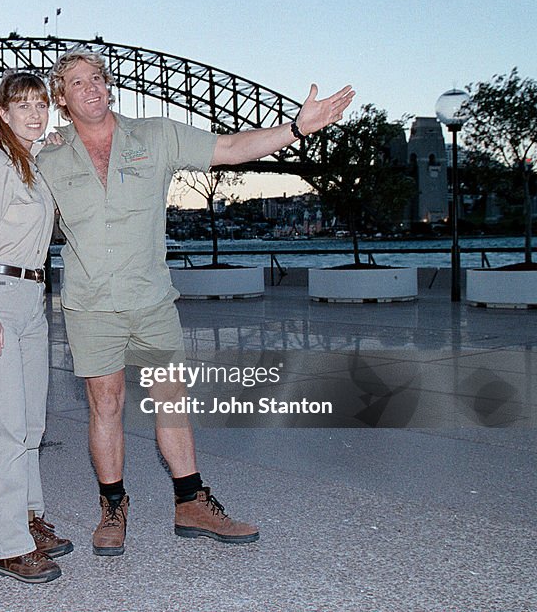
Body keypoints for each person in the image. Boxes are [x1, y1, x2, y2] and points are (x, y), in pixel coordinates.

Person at [38, 50, 354, 556]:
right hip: (90, 303)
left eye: (97, 78)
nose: (91, 88)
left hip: (151, 299)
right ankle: (113, 508)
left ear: (109, 85)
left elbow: (229, 148)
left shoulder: (157, 136)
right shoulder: (48, 155)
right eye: (77, 83)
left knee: (171, 401)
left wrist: (297, 128)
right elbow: (6, 186)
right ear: (62, 97)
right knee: (107, 404)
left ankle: (191, 503)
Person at [0, 71, 72, 583]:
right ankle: (8, 546)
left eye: (40, 103)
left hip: (31, 298)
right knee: (2, 427)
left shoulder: (30, 165)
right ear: (3, 114)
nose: (33, 112)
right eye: (21, 105)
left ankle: (29, 515)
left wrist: (55, 146)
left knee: (30, 425)